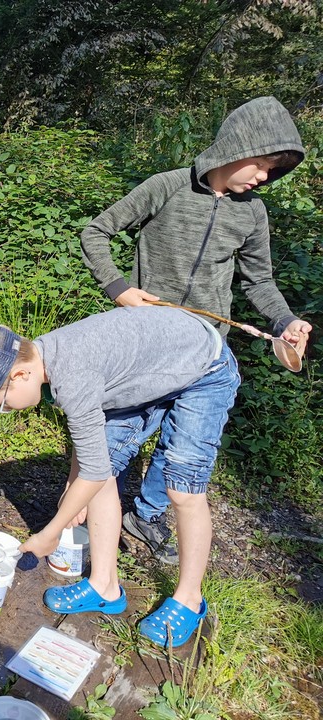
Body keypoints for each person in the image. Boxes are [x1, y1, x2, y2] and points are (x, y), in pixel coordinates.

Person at [80, 96, 312, 564]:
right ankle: (89, 513)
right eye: (261, 164)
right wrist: (120, 290)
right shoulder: (166, 187)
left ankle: (145, 515)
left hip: (205, 350)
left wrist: (285, 321)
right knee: (118, 431)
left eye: (272, 171)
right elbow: (96, 232)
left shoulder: (253, 213)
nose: (263, 177)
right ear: (236, 147)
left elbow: (259, 282)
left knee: (185, 442)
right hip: (146, 340)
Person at [0, 306, 239, 647]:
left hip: (203, 368)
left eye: (2, 405)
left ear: (21, 375)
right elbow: (91, 453)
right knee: (104, 468)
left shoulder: (72, 375)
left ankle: (189, 599)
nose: (5, 411)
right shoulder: (47, 359)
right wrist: (74, 488)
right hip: (153, 368)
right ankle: (105, 586)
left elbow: (94, 470)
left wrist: (51, 533)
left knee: (183, 489)